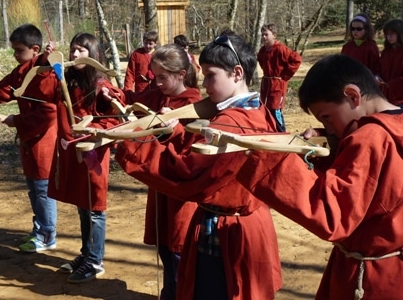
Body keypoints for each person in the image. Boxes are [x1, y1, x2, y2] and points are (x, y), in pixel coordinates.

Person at [115, 34, 282, 300]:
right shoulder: (254, 109)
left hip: (228, 235)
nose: (204, 84)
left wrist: (134, 147)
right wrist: (172, 135)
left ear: (237, 73)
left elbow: (192, 175)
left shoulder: (232, 121)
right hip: (241, 229)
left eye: (210, 75)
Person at [235, 54, 403, 300]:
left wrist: (270, 160)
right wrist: (330, 143)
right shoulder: (395, 123)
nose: (330, 127)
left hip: (371, 282)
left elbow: (333, 212)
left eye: (327, 116)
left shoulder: (370, 138)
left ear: (353, 95)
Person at [118, 43, 201, 300]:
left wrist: (173, 130)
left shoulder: (194, 104)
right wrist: (107, 91)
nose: (158, 82)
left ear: (181, 74)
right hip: (159, 185)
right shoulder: (157, 95)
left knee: (179, 249)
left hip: (180, 190)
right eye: (155, 77)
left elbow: (192, 151)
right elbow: (131, 99)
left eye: (163, 77)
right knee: (165, 247)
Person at [47, 33, 125, 283]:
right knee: (83, 207)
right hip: (75, 154)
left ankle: (95, 261)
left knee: (94, 209)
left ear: (93, 54)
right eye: (72, 50)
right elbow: (46, 88)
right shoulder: (69, 81)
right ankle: (86, 254)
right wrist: (50, 60)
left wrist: (109, 104)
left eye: (81, 50)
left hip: (93, 155)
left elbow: (115, 118)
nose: (74, 54)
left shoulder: (100, 84)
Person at [0, 24, 58, 253]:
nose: (15, 55)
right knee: (34, 187)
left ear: (35, 49)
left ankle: (47, 235)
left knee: (43, 189)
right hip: (30, 142)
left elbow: (50, 112)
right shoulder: (22, 70)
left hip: (44, 141)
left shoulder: (46, 73)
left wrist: (17, 121)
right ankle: (40, 230)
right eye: (14, 50)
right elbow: (4, 90)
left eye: (19, 50)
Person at [257, 23, 302, 132]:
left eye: (266, 35)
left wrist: (285, 76)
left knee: (275, 109)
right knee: (265, 109)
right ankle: (270, 131)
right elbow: (261, 60)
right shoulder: (262, 51)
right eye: (262, 35)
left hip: (278, 85)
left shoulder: (281, 49)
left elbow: (296, 60)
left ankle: (281, 132)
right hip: (266, 85)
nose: (264, 37)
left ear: (274, 35)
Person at [340, 13, 381, 77]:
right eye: (353, 29)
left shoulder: (371, 46)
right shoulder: (347, 47)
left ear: (366, 29)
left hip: (365, 80)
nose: (355, 31)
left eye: (359, 29)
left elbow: (375, 68)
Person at [378, 19, 403, 105]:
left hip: (400, 97)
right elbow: (381, 69)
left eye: (392, 33)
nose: (389, 37)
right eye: (387, 34)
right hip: (386, 96)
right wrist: (378, 78)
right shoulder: (386, 52)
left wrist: (391, 84)